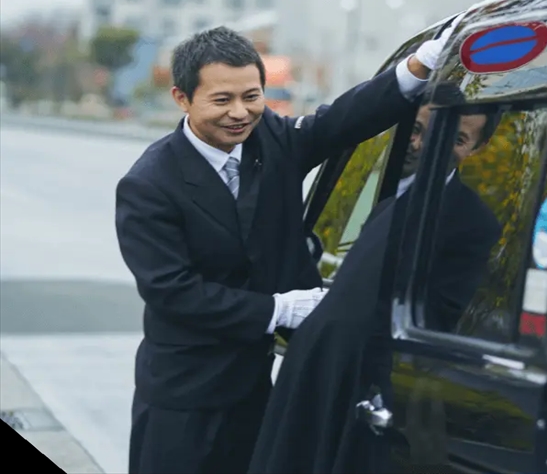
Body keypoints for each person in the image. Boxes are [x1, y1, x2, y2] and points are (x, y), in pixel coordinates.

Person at [115, 24, 450, 474]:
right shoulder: (148, 184)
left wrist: (419, 65)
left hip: (256, 390)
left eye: (251, 96)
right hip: (183, 398)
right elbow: (173, 292)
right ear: (182, 98)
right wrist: (279, 309)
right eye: (222, 100)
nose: (240, 113)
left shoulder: (271, 138)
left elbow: (340, 121)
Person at [247, 83, 503, 474]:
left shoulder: (472, 222)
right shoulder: (387, 202)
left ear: (477, 148)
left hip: (365, 394)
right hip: (314, 379)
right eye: (418, 129)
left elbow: (434, 324)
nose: (423, 145)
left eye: (455, 139)